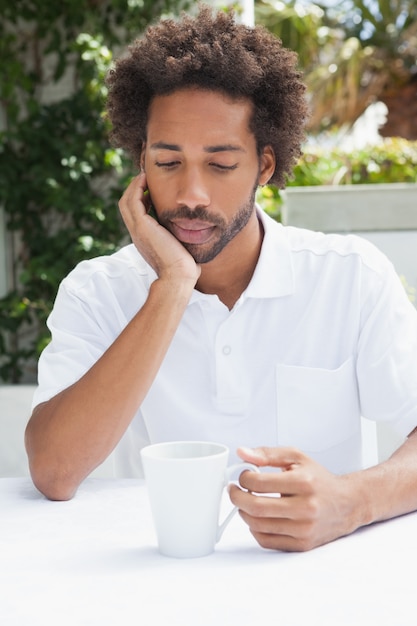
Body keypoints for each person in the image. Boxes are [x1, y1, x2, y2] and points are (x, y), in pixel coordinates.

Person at [25, 5, 417, 552]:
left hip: (318, 586)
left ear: (264, 166)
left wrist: (353, 501)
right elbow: (54, 469)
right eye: (168, 163)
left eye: (220, 164)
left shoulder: (350, 278)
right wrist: (171, 287)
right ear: (141, 164)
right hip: (150, 583)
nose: (191, 195)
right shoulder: (97, 291)